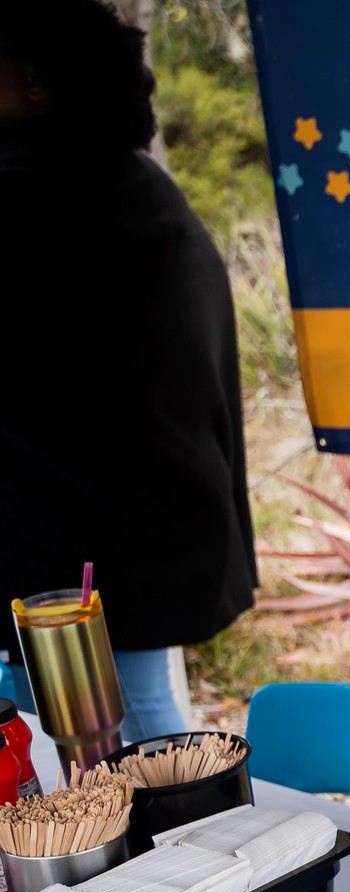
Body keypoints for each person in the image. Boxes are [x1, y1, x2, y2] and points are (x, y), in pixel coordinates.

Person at [0, 0, 256, 741]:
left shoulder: (42, 203)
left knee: (129, 735)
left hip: (84, 553)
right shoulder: (139, 193)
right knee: (118, 726)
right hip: (133, 543)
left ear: (39, 83)